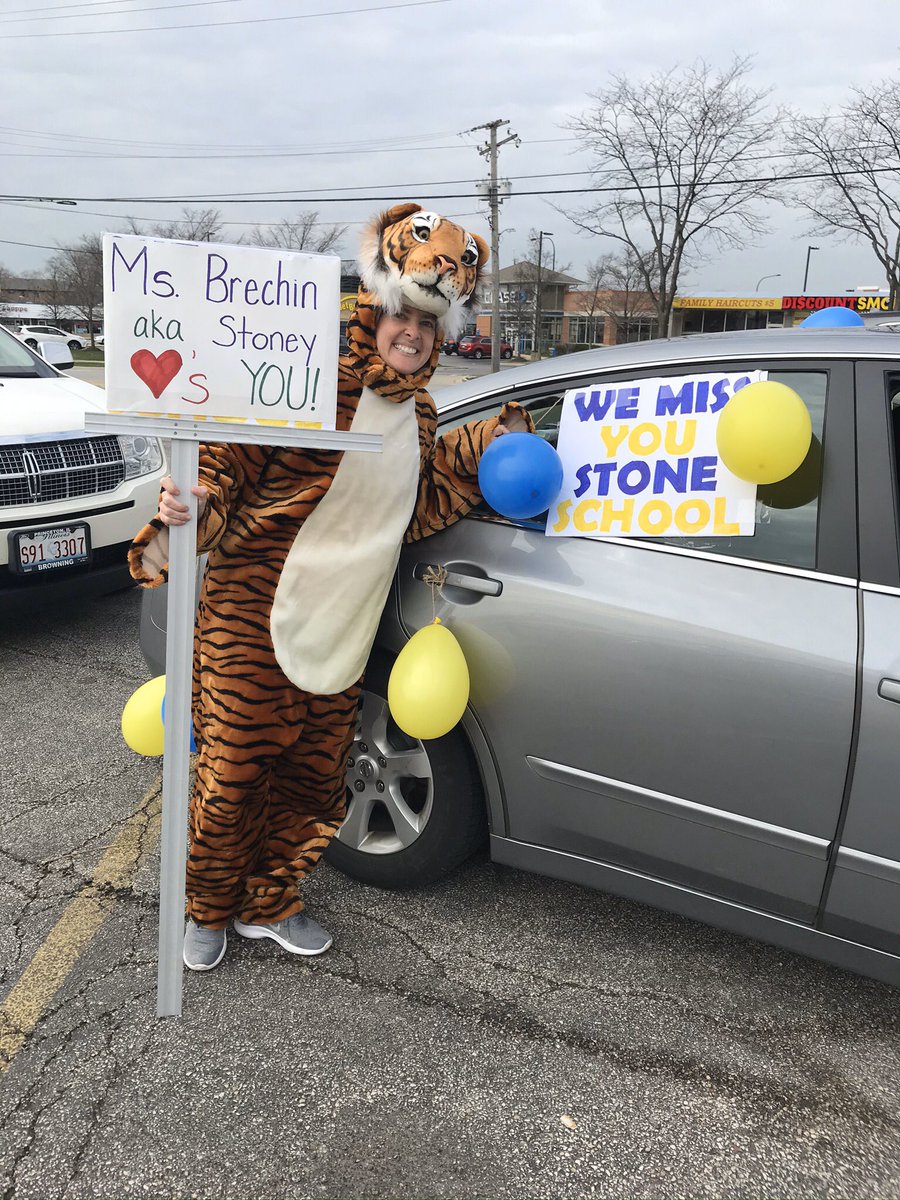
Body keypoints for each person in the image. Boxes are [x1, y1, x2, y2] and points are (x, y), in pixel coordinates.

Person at [128, 203, 530, 973]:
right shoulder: (306, 389)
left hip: (344, 627)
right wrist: (197, 501)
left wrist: (486, 444)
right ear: (372, 314)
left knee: (315, 787)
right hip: (252, 613)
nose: (411, 333)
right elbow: (231, 462)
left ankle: (269, 902)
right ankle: (208, 908)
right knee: (233, 777)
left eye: (425, 325)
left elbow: (413, 510)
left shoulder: (419, 417)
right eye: (399, 318)